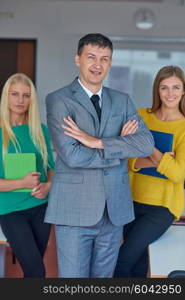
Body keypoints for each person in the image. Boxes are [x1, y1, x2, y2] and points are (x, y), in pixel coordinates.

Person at [45, 33, 154, 278]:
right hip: (74, 211)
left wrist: (97, 142)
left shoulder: (122, 100)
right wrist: (121, 149)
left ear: (110, 63)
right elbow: (72, 156)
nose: (98, 64)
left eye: (105, 59)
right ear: (77, 59)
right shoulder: (59, 100)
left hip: (113, 211)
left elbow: (146, 144)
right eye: (91, 57)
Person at [114, 65, 185, 278]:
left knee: (123, 259)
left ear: (183, 91)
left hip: (162, 208)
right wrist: (160, 160)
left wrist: (148, 147)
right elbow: (126, 159)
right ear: (157, 90)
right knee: (137, 262)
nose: (170, 93)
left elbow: (178, 174)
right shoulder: (142, 116)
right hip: (133, 200)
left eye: (176, 87)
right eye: (164, 87)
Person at [0, 73, 55, 278]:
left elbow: (51, 168)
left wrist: (48, 185)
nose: (20, 100)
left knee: (33, 271)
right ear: (6, 96)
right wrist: (21, 182)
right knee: (37, 271)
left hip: (41, 208)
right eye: (15, 94)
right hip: (11, 210)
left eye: (26, 95)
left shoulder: (40, 130)